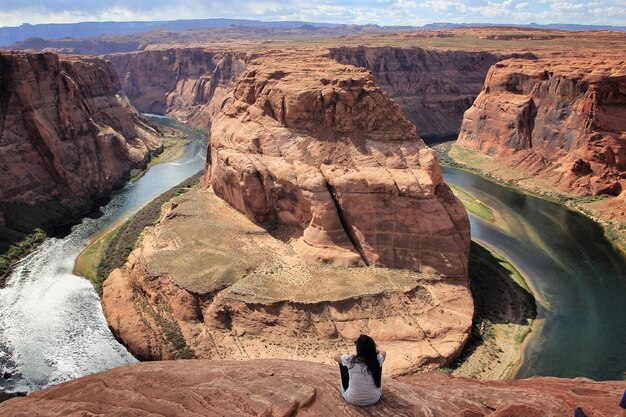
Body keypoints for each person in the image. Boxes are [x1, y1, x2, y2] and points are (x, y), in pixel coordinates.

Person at [333, 334, 386, 406]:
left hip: (351, 399)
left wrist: (342, 355)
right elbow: (383, 352)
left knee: (342, 364)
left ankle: (348, 387)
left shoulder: (350, 360)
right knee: (377, 364)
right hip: (373, 399)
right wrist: (372, 350)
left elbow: (336, 356)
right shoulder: (377, 359)